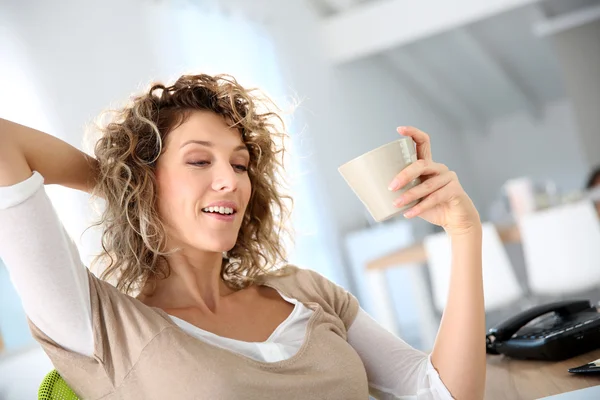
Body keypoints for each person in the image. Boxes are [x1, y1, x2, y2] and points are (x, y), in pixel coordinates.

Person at [0, 74, 485, 399]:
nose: (231, 180)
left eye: (239, 164)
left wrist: (465, 234)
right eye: (198, 161)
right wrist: (127, 185)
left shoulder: (306, 292)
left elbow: (441, 392)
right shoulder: (102, 328)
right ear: (144, 180)